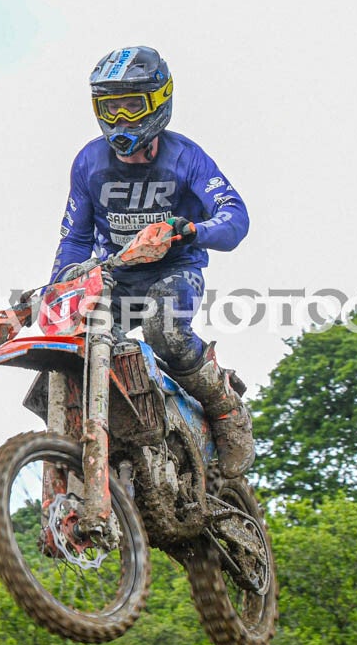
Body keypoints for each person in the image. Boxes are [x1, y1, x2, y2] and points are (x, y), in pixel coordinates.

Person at [49, 45, 254, 477]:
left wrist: (191, 229)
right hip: (116, 276)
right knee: (73, 345)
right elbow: (75, 238)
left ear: (158, 102)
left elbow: (235, 218)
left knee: (165, 331)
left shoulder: (185, 157)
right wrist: (60, 288)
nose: (121, 119)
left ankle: (226, 410)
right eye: (111, 108)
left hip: (175, 271)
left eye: (132, 106)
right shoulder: (89, 163)